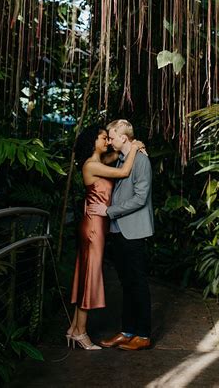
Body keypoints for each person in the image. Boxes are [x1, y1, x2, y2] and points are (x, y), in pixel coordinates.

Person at [66, 124, 145, 350]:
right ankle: (81, 332)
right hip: (94, 226)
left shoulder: (99, 163)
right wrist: (137, 147)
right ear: (93, 142)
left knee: (85, 274)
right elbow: (123, 172)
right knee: (90, 276)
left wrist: (133, 147)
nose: (107, 141)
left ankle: (73, 329)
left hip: (96, 224)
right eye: (103, 138)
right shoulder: (91, 165)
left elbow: (119, 154)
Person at [88, 119, 154, 351]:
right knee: (126, 284)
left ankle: (143, 335)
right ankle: (127, 331)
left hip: (133, 231)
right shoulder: (124, 159)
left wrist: (109, 211)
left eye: (112, 136)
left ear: (124, 137)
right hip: (118, 230)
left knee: (137, 283)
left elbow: (140, 198)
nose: (109, 140)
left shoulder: (142, 161)